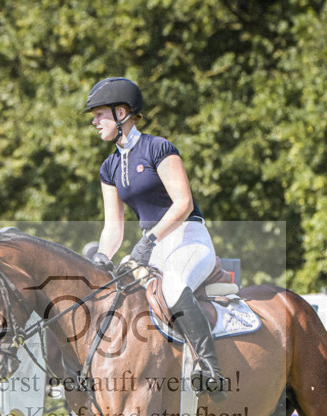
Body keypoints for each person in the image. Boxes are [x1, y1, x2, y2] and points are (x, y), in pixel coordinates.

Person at [84, 77, 225, 396]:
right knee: (116, 297)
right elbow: (113, 228)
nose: (94, 121)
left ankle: (210, 367)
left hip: (187, 237)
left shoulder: (158, 148)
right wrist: (100, 261)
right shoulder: (108, 167)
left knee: (174, 284)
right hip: (151, 248)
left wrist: (149, 241)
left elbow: (184, 202)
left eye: (99, 114)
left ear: (121, 113)